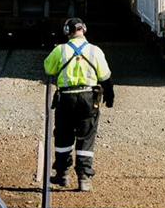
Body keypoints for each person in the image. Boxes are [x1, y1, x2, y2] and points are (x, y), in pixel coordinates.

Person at [44, 18, 114, 192]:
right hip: (89, 98)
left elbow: (49, 70)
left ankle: (62, 175)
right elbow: (105, 76)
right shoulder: (95, 51)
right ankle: (84, 178)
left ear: (67, 31)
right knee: (86, 137)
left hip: (66, 98)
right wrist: (110, 95)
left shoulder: (59, 50)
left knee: (63, 136)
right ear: (84, 29)